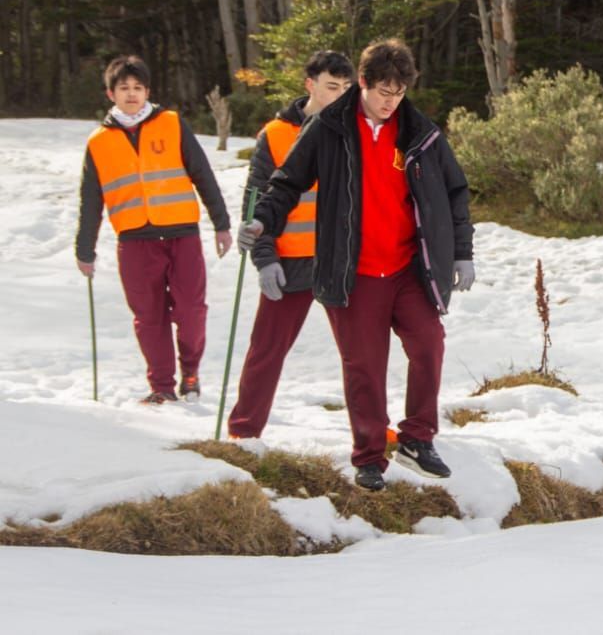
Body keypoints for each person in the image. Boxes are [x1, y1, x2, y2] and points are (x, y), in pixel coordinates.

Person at [238, 39, 475, 492]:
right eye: (384, 92)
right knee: (364, 366)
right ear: (363, 83)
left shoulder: (419, 132)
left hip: (409, 267)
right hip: (354, 271)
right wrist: (263, 223)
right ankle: (369, 457)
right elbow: (287, 182)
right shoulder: (329, 127)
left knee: (429, 344)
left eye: (400, 93)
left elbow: (454, 191)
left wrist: (462, 251)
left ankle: (417, 440)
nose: (391, 102)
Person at [75, 55, 233, 403]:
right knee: (149, 318)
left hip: (182, 235)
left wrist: (221, 224)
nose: (132, 94)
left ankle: (190, 372)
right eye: (124, 88)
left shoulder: (172, 124)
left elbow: (202, 174)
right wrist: (84, 250)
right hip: (134, 241)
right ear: (110, 93)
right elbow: (91, 201)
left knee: (191, 310)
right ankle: (161, 386)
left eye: (138, 88)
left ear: (148, 91)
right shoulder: (98, 142)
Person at [226, 51, 355, 439]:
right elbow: (256, 203)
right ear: (310, 84)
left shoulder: (357, 133)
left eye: (348, 89)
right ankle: (243, 435)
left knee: (360, 355)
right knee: (265, 351)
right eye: (333, 87)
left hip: (341, 263)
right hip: (290, 263)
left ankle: (370, 434)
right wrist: (264, 258)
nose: (341, 95)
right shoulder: (276, 135)